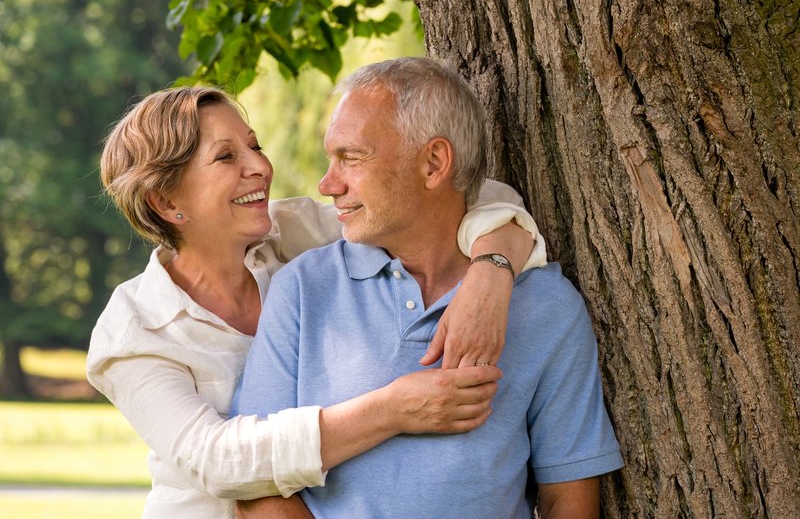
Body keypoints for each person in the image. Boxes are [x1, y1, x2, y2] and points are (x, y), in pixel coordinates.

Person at [86, 85, 548, 518]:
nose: (260, 167)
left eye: (255, 145)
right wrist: (393, 409)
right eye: (226, 156)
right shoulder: (133, 331)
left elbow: (457, 195)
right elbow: (217, 461)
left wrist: (491, 275)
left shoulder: (296, 236)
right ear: (166, 203)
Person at [231, 57, 624, 518]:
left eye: (351, 158)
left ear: (434, 163)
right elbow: (258, 486)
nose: (328, 184)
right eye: (330, 158)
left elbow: (569, 498)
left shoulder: (547, 307)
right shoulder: (302, 290)